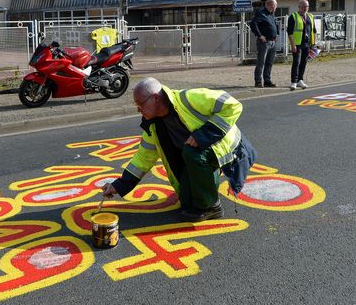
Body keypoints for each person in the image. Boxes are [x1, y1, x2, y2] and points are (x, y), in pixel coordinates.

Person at [101, 77, 257, 222]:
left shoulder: (189, 98)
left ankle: (212, 206)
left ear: (155, 98)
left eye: (140, 104)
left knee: (192, 153)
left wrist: (203, 135)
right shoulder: (153, 125)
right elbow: (143, 158)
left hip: (225, 148)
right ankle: (205, 183)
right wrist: (119, 186)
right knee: (187, 203)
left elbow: (233, 105)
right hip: (197, 156)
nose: (138, 109)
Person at [287, 0, 317, 91]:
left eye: (306, 6)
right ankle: (294, 81)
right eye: (303, 6)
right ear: (299, 7)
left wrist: (313, 43)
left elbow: (314, 30)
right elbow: (290, 32)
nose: (305, 8)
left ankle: (300, 79)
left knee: (304, 62)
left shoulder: (311, 16)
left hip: (307, 44)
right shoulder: (293, 16)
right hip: (297, 43)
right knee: (296, 62)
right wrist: (293, 45)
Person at [250, 0, 279, 88]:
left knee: (269, 62)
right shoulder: (261, 13)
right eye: (275, 6)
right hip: (264, 42)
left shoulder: (271, 14)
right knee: (261, 62)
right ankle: (258, 81)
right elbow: (253, 24)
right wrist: (259, 35)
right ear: (271, 5)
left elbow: (274, 24)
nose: (276, 8)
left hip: (272, 41)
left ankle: (267, 80)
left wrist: (276, 34)